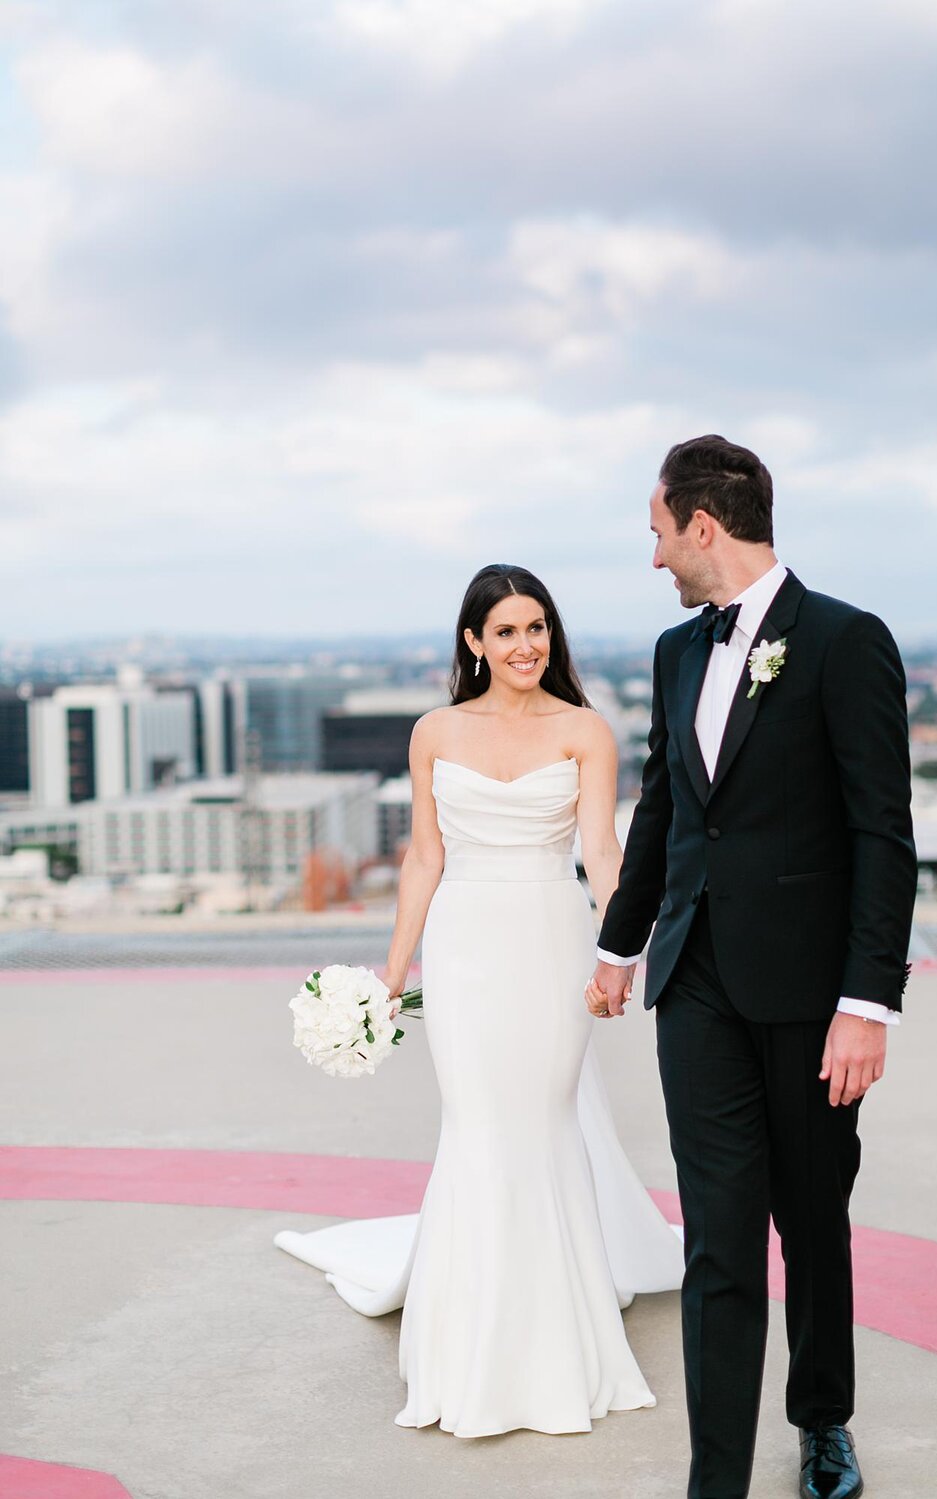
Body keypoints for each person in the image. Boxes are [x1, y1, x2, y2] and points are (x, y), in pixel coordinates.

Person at [275, 562, 684, 1438]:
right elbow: (424, 857)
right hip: (463, 949)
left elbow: (604, 855)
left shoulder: (587, 730)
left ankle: (554, 1347)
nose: (525, 645)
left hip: (550, 938)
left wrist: (620, 952)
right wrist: (393, 974)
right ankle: (465, 1348)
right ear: (474, 642)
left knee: (538, 1124)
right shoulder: (433, 731)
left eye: (536, 627)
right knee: (475, 1124)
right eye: (505, 631)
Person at [587, 435, 917, 1499]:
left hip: (815, 997)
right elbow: (668, 807)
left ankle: (823, 1418)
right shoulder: (674, 652)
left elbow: (882, 833)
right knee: (717, 1237)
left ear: (702, 524)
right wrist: (617, 943)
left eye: (655, 531)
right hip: (696, 987)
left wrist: (866, 1001)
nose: (652, 557)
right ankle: (714, 1479)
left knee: (810, 1217)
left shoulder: (844, 641)